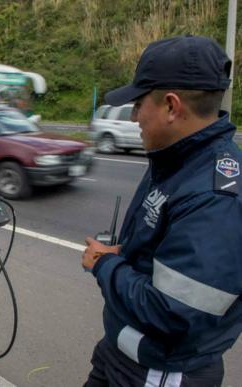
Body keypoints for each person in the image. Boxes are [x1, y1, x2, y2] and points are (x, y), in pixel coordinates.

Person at [82, 35, 241, 386]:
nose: (135, 116)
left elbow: (173, 313)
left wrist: (104, 263)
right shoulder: (176, 159)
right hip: (121, 354)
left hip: (159, 372)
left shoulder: (216, 196)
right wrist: (123, 253)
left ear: (171, 106)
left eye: (139, 104)